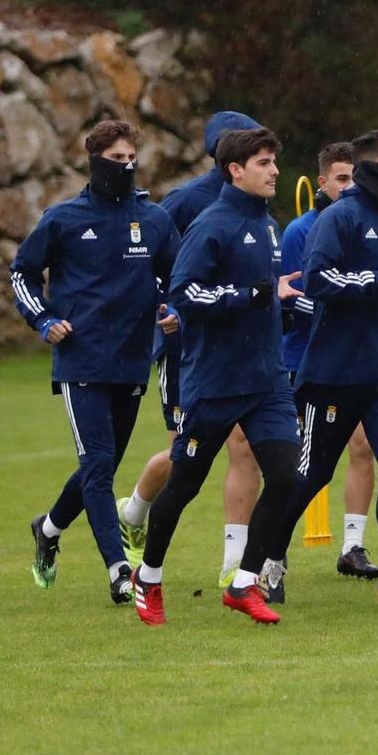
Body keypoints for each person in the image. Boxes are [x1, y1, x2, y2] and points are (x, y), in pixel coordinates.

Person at [133, 126, 303, 626]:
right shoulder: (212, 224)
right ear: (236, 169)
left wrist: (277, 298)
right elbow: (184, 297)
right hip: (215, 383)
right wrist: (248, 295)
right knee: (183, 486)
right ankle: (149, 576)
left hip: (267, 380)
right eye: (264, 163)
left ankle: (245, 583)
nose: (274, 171)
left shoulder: (268, 223)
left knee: (289, 479)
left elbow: (259, 290)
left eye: (275, 161)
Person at [265, 128, 378, 604]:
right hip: (334, 369)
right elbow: (319, 280)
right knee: (312, 472)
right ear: (371, 166)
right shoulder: (338, 217)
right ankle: (270, 560)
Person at [13, 118, 180, 603]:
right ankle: (118, 570)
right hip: (80, 362)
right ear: (94, 160)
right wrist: (44, 320)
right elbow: (22, 272)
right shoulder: (63, 219)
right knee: (101, 467)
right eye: (116, 160)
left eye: (132, 159)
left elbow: (178, 278)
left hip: (131, 363)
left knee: (97, 468)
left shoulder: (153, 220)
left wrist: (173, 312)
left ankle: (47, 527)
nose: (126, 167)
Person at [280, 141, 378, 580]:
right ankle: (273, 542)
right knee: (300, 459)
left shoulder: (367, 223)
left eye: (355, 177)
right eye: (341, 178)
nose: (349, 186)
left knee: (363, 446)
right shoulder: (301, 231)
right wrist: (335, 306)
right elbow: (289, 297)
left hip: (351, 358)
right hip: (304, 359)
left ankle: (353, 545)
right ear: (322, 182)